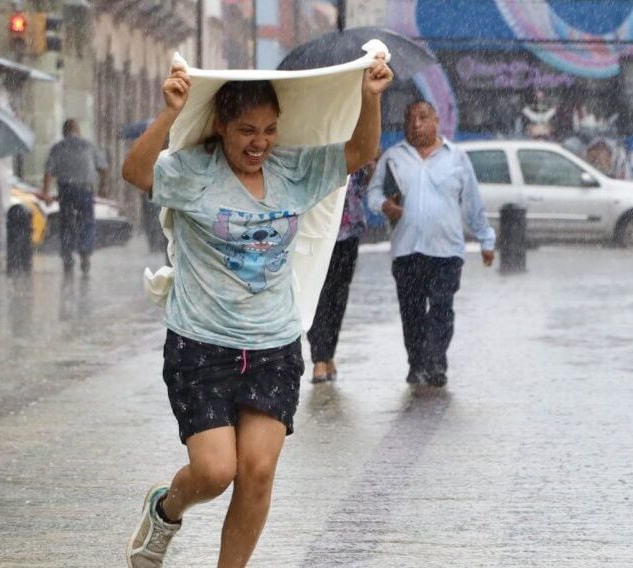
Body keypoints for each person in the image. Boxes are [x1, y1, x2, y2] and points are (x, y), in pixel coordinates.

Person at [120, 54, 392, 567]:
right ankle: (166, 509)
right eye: (246, 130)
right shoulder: (193, 173)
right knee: (215, 472)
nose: (258, 142)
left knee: (259, 472)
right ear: (221, 125)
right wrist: (169, 114)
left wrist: (370, 96)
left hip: (274, 346)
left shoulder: (294, 171)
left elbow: (360, 150)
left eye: (268, 130)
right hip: (201, 345)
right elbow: (134, 171)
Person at [366, 100, 495, 388]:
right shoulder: (393, 157)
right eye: (410, 118)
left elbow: (473, 203)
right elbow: (373, 194)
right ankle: (416, 364)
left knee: (441, 308)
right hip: (407, 250)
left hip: (446, 251)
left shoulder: (457, 158)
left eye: (423, 118)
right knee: (411, 312)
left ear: (436, 120)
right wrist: (384, 205)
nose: (416, 124)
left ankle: (435, 363)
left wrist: (487, 240)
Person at [307, 160, 373, 383]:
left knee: (338, 296)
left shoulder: (358, 152)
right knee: (318, 295)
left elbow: (363, 188)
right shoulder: (317, 153)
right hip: (319, 234)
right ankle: (319, 358)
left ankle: (329, 353)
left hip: (348, 233)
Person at [42, 119, 108, 275]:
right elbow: (104, 168)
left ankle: (67, 255)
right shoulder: (89, 146)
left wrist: (45, 193)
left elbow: (48, 172)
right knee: (87, 221)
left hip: (66, 190)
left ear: (64, 132)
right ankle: (85, 255)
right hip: (85, 189)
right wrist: (103, 187)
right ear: (78, 130)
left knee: (66, 222)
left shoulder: (58, 148)